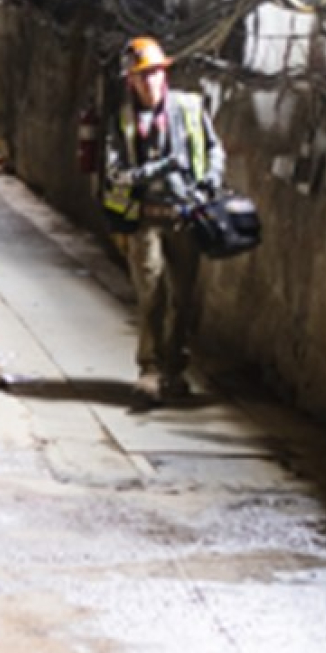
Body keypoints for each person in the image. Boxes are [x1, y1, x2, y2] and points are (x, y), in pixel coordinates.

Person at [101, 35, 225, 404]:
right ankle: (150, 371)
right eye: (144, 75)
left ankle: (175, 368)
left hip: (185, 216)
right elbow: (116, 171)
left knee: (183, 298)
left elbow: (214, 148)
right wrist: (154, 170)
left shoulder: (188, 108)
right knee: (152, 295)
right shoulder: (123, 120)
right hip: (145, 220)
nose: (152, 81)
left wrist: (210, 182)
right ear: (132, 81)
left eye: (156, 73)